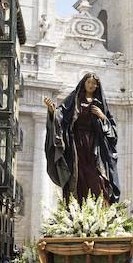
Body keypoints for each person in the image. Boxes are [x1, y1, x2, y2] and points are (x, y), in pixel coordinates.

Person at [44, 72, 121, 204]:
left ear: (97, 86)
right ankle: (76, 208)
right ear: (84, 83)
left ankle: (101, 208)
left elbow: (112, 130)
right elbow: (61, 114)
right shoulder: (74, 99)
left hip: (94, 145)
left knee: (98, 178)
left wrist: (102, 116)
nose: (91, 85)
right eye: (88, 82)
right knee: (77, 176)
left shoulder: (100, 103)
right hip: (76, 144)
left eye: (94, 83)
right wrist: (53, 111)